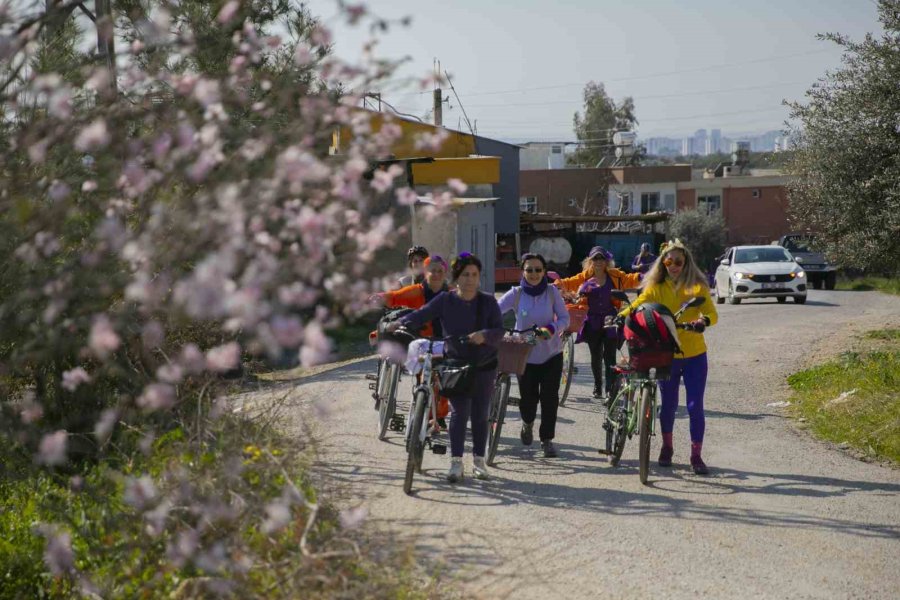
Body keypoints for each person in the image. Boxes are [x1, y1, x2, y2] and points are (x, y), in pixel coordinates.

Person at [393, 253, 503, 482]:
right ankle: (456, 463)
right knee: (459, 413)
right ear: (456, 277)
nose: (470, 279)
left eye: (474, 275)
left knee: (480, 415)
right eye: (465, 275)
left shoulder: (488, 302)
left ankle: (479, 461)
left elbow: (499, 331)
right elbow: (421, 315)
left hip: (484, 366)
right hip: (455, 366)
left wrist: (485, 335)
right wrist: (400, 324)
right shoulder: (445, 300)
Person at [617, 239, 718, 475]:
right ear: (663, 262)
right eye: (669, 261)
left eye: (678, 261)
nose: (674, 265)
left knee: (695, 405)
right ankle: (667, 447)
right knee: (669, 404)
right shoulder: (656, 287)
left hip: (695, 354)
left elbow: (711, 312)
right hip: (666, 354)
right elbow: (639, 303)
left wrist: (702, 322)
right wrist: (621, 315)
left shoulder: (696, 286)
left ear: (686, 263)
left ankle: (696, 454)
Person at [498, 254, 570, 458]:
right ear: (522, 271)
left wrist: (553, 327)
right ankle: (527, 423)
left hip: (551, 354)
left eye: (538, 270)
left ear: (544, 271)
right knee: (528, 400)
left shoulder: (551, 291)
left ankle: (547, 440)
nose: (534, 274)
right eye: (529, 270)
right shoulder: (516, 293)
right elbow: (495, 311)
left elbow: (565, 318)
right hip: (524, 356)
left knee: (549, 399)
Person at [370, 256, 451, 427]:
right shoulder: (417, 291)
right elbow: (395, 296)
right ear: (425, 272)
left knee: (442, 381)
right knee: (425, 377)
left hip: (442, 341)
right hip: (419, 341)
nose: (435, 274)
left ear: (445, 273)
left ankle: (439, 415)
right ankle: (423, 410)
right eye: (432, 270)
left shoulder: (451, 294)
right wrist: (380, 297)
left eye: (439, 271)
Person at [554, 246, 642, 398]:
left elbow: (630, 279)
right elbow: (568, 282)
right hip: (592, 321)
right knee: (595, 357)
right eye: (595, 258)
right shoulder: (585, 277)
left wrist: (644, 277)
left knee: (610, 357)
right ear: (590, 261)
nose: (598, 261)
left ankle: (610, 389)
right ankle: (598, 386)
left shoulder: (615, 275)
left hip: (611, 320)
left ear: (607, 261)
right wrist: (555, 285)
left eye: (601, 258)